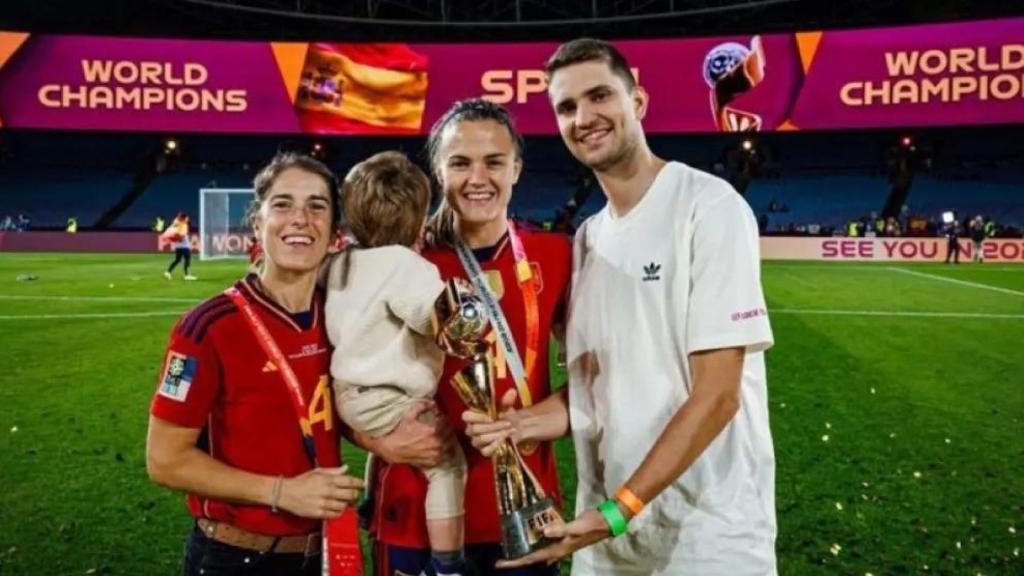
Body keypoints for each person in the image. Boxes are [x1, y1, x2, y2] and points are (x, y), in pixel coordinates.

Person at [465, 39, 777, 575]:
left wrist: (620, 509)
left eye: (599, 96)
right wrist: (518, 425)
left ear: (638, 102)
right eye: (566, 107)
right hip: (606, 545)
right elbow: (597, 388)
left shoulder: (708, 207)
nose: (584, 117)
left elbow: (719, 394)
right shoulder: (587, 239)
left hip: (706, 539)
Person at [366, 98, 572, 576]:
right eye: (460, 163)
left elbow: (599, 382)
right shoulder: (399, 261)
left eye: (494, 162)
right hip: (416, 510)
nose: (477, 178)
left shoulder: (558, 256)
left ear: (517, 168)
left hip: (525, 510)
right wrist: (381, 444)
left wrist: (535, 421)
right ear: (438, 170)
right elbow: (343, 377)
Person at [146, 153, 365, 576]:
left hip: (323, 550)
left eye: (316, 206)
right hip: (237, 557)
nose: (300, 218)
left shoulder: (341, 317)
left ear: (335, 234)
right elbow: (164, 460)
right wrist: (281, 492)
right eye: (283, 204)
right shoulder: (205, 329)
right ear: (257, 224)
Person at [324, 151, 468, 576]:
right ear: (419, 215)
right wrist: (464, 307)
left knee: (385, 441)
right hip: (391, 395)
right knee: (446, 465)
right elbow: (432, 317)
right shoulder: (407, 265)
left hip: (348, 395)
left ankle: (369, 504)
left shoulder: (339, 262)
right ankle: (448, 564)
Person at [163, 212, 197, 280]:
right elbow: (180, 238)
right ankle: (187, 275)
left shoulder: (178, 223)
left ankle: (168, 272)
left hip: (178, 247)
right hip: (184, 247)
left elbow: (186, 219)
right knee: (187, 260)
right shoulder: (183, 226)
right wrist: (176, 238)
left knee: (177, 260)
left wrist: (172, 239)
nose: (178, 217)